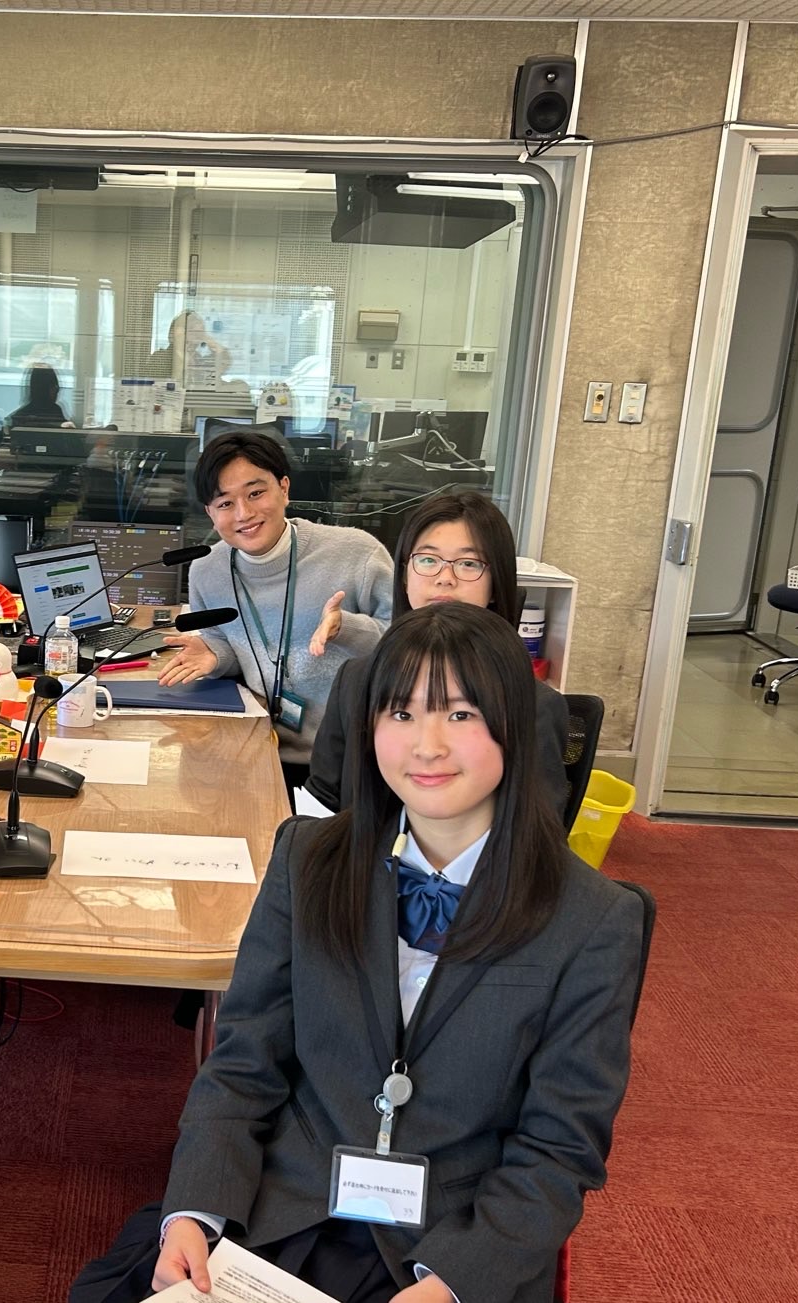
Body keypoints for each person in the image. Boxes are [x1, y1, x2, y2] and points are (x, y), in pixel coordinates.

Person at [71, 602, 644, 1303]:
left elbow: (559, 1149)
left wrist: (451, 1283)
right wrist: (194, 1211)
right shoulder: (308, 857)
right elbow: (245, 1060)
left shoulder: (593, 919)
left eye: (460, 714)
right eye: (401, 713)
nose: (425, 745)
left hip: (447, 1242)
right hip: (280, 1205)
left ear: (512, 727)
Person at [309, 491, 572, 818]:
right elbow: (323, 798)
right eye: (428, 560)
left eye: (468, 564)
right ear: (404, 575)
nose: (445, 578)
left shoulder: (532, 703)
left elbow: (536, 829)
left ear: (496, 583)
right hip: (359, 849)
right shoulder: (356, 680)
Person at [159, 428, 394, 789]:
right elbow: (233, 647)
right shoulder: (207, 570)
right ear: (210, 513)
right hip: (258, 750)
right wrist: (217, 655)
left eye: (256, 493)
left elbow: (404, 648)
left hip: (353, 761)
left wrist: (345, 628)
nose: (244, 513)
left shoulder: (357, 554)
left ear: (284, 488)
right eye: (225, 503)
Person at [5, 363, 71, 429]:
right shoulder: (22, 417)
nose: (57, 391)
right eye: (54, 386)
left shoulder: (56, 410)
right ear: (43, 389)